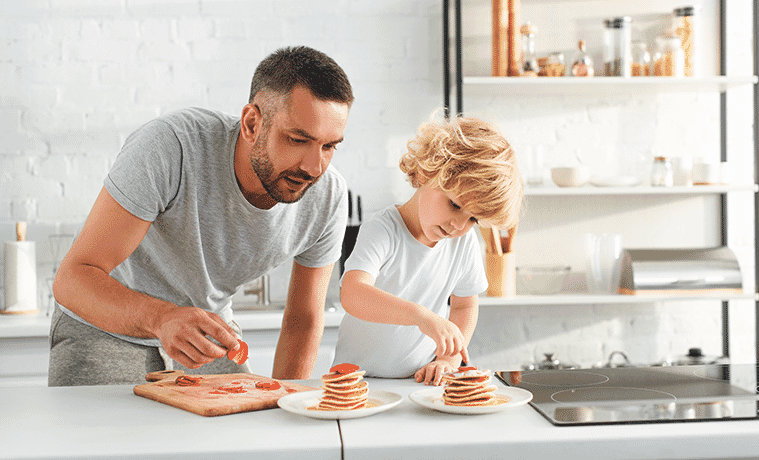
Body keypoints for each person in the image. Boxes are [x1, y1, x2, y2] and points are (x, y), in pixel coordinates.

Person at [49, 46, 354, 386]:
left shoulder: (327, 196)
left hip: (207, 340)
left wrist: (283, 400)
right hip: (104, 326)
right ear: (252, 123)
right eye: (298, 140)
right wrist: (162, 319)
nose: (314, 167)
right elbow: (72, 279)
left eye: (329, 147)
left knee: (244, 432)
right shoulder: (171, 147)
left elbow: (304, 319)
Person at [332, 114, 523, 386]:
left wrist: (448, 359)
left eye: (473, 219)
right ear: (426, 173)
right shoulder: (383, 229)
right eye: (455, 205)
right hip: (356, 382)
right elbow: (352, 294)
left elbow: (465, 305)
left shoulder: (462, 242)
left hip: (419, 381)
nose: (459, 224)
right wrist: (421, 317)